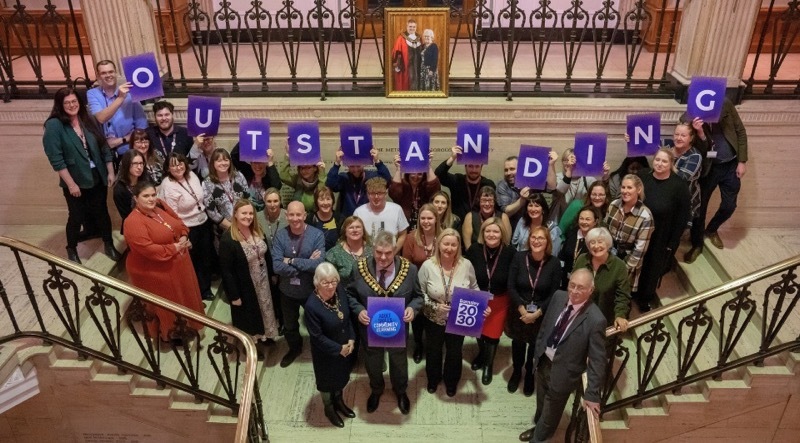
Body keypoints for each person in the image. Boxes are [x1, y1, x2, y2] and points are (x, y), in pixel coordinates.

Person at [517, 268, 606, 443]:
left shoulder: (596, 319)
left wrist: (592, 394)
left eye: (581, 287)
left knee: (551, 412)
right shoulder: (558, 297)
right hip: (544, 362)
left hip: (564, 374)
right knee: (541, 402)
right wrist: (538, 353)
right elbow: (545, 327)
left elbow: (598, 360)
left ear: (591, 290)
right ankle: (539, 427)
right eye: (572, 285)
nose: (574, 291)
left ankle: (539, 437)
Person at [347, 231, 422, 414]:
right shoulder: (359, 268)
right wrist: (359, 310)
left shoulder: (410, 270)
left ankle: (401, 391)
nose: (382, 257)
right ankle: (376, 390)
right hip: (370, 328)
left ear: (395, 250)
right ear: (373, 249)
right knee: (373, 362)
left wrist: (413, 308)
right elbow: (349, 294)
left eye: (388, 253)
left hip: (398, 330)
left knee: (399, 362)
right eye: (379, 252)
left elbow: (419, 297)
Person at [43, 87, 120, 264]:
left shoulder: (89, 120)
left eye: (74, 101)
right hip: (74, 179)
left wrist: (110, 171)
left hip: (97, 175)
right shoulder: (54, 125)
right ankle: (71, 249)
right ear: (60, 105)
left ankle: (108, 244)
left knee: (102, 212)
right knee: (76, 216)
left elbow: (104, 147)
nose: (72, 105)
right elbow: (56, 158)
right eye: (67, 102)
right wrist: (71, 184)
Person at [123, 181, 205, 344]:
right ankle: (173, 332)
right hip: (156, 270)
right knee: (170, 303)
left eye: (153, 194)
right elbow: (148, 249)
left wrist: (183, 236)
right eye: (146, 196)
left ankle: (190, 322)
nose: (151, 199)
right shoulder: (132, 222)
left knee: (185, 295)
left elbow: (179, 223)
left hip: (178, 263)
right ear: (135, 198)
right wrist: (174, 248)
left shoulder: (160, 206)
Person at [419, 228, 485, 397]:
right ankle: (433, 379)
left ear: (458, 247)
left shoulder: (466, 264)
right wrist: (434, 307)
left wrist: (482, 305)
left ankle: (451, 381)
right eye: (446, 244)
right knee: (433, 350)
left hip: (459, 316)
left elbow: (474, 287)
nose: (449, 248)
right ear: (439, 244)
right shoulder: (428, 265)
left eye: (453, 245)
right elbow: (419, 294)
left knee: (455, 351)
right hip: (434, 317)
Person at [685, 98, 748, 252]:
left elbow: (740, 131)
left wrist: (742, 161)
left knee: (729, 206)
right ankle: (697, 244)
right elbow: (692, 146)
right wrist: (699, 132)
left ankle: (712, 229)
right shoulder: (691, 115)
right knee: (700, 208)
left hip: (731, 165)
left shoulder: (726, 105)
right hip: (710, 168)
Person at [506, 226, 562, 396]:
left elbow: (554, 293)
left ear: (548, 242)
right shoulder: (519, 257)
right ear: (529, 240)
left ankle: (530, 372)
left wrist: (537, 313)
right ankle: (517, 371)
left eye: (541, 238)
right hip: (519, 310)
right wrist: (522, 309)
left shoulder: (554, 263)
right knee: (517, 343)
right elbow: (511, 285)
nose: (537, 241)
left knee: (534, 346)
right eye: (534, 237)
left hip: (541, 312)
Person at [219, 199, 279, 356]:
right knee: (250, 315)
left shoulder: (257, 231)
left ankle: (266, 335)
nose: (248, 216)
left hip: (263, 280)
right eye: (244, 213)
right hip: (245, 285)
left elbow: (267, 255)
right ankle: (252, 345)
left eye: (251, 213)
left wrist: (272, 274)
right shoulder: (228, 239)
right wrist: (234, 295)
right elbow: (226, 271)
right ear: (236, 215)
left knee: (265, 309)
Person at [271, 201, 326, 367]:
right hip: (287, 292)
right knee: (289, 325)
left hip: (311, 290)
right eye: (291, 215)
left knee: (316, 323)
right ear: (286, 216)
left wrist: (292, 261)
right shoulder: (280, 235)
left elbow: (318, 264)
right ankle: (295, 348)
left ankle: (319, 350)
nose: (295, 218)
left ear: (304, 215)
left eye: (298, 214)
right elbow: (277, 266)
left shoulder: (316, 235)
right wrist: (305, 264)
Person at [637, 148, 690, 312]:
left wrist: (673, 241)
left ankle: (645, 298)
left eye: (664, 161)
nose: (660, 164)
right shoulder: (643, 176)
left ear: (671, 164)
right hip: (639, 231)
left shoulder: (679, 186)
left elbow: (682, 216)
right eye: (657, 160)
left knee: (652, 267)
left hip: (661, 234)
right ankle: (632, 291)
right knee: (637, 262)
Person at [464, 217, 515, 385]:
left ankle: (488, 364)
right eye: (488, 231)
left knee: (492, 335)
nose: (491, 234)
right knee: (477, 330)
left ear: (502, 234)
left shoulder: (510, 252)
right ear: (482, 233)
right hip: (477, 297)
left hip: (499, 300)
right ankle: (481, 353)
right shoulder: (474, 250)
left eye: (496, 231)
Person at [305, 263, 356, 428]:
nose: (331, 286)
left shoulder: (339, 291)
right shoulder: (312, 306)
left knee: (341, 377)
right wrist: (338, 349)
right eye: (325, 282)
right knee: (327, 382)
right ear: (317, 283)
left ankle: (339, 401)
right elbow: (317, 337)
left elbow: (346, 319)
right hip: (325, 354)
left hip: (344, 347)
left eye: (334, 281)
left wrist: (351, 339)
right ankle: (329, 408)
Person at [158, 152, 215, 301]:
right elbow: (172, 214)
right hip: (187, 227)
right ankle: (196, 291)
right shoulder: (168, 185)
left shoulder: (192, 176)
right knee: (193, 261)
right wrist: (181, 234)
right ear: (168, 168)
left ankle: (206, 288)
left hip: (203, 221)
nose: (178, 167)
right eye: (173, 165)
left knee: (206, 257)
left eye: (180, 163)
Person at [402, 203, 441, 363]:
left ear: (436, 219)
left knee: (434, 320)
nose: (426, 221)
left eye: (429, 218)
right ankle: (418, 344)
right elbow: (406, 264)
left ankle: (434, 345)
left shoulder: (444, 236)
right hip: (417, 287)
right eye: (423, 218)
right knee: (418, 321)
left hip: (438, 287)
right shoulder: (411, 237)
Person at [86, 59, 147, 161]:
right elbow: (101, 118)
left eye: (111, 72)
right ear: (98, 76)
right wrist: (120, 98)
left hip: (128, 149)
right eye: (103, 73)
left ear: (116, 73)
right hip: (105, 152)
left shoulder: (130, 94)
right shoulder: (92, 94)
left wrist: (121, 140)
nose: (108, 75)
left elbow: (142, 126)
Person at [604, 174, 653, 298]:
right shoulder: (614, 204)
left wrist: (623, 271)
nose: (625, 191)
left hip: (627, 258)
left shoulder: (645, 215)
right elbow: (605, 229)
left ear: (638, 190)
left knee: (619, 295)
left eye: (629, 188)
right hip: (608, 254)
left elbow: (639, 250)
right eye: (623, 187)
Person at [573, 227, 631, 331]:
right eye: (592, 242)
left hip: (603, 321)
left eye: (600, 242)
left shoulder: (619, 266)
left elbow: (622, 295)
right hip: (578, 318)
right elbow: (573, 285)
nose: (596, 246)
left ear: (608, 244)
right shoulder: (582, 259)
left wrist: (620, 315)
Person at [675, 119, 709, 264]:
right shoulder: (667, 145)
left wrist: (666, 161)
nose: (678, 138)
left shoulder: (695, 156)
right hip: (669, 197)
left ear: (691, 138)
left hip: (686, 200)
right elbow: (645, 146)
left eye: (683, 135)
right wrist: (630, 141)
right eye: (676, 134)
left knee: (678, 231)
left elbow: (682, 177)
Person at [326, 147, 392, 217]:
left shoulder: (371, 177)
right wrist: (337, 164)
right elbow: (330, 184)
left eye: (358, 166)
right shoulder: (344, 178)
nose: (355, 169)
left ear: (364, 164)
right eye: (352, 166)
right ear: (347, 165)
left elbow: (387, 181)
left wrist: (377, 162)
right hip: (348, 221)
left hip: (368, 218)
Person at [550, 147, 610, 224]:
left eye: (574, 161)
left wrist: (605, 176)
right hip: (558, 221)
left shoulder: (587, 179)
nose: (570, 163)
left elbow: (601, 192)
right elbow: (560, 191)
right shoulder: (558, 177)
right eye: (566, 161)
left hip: (580, 222)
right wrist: (569, 171)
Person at [495, 154, 557, 229]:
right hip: (512, 228)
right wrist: (522, 199)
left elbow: (552, 187)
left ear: (521, 169)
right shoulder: (502, 185)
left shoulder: (531, 180)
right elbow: (507, 212)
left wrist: (551, 165)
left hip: (534, 227)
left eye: (512, 169)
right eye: (506, 170)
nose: (508, 173)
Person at [435, 145, 496, 219]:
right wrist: (452, 157)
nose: (474, 170)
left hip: (480, 225)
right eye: (470, 166)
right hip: (457, 225)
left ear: (481, 167)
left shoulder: (488, 184)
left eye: (477, 166)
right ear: (465, 166)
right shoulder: (457, 180)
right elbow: (438, 174)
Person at [353, 177, 409, 253]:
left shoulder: (396, 209)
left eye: (379, 193)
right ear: (367, 195)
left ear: (385, 194)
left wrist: (393, 252)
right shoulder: (359, 212)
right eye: (372, 193)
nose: (376, 197)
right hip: (367, 256)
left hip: (391, 255)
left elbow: (403, 234)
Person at [202, 148, 250, 235]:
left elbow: (248, 198)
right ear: (213, 163)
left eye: (226, 160)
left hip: (245, 223)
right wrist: (234, 228)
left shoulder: (239, 176)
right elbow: (212, 212)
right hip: (224, 230)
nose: (223, 163)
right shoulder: (207, 183)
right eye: (219, 160)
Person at [388, 152, 440, 228]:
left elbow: (435, 190)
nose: (416, 177)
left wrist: (428, 166)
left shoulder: (425, 186)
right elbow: (394, 194)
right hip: (404, 227)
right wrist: (399, 168)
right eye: (412, 173)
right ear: (408, 174)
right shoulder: (403, 185)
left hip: (425, 225)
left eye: (419, 174)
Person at [559, 205, 602, 289]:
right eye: (581, 218)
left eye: (588, 219)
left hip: (586, 284)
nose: (584, 222)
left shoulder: (598, 240)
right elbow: (562, 255)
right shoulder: (572, 233)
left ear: (595, 221)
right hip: (566, 280)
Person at [230, 144, 282, 212]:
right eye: (254, 162)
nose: (257, 166)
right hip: (249, 214)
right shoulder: (247, 172)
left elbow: (277, 186)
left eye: (260, 162)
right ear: (251, 163)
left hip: (267, 214)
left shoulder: (270, 175)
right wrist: (245, 138)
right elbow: (234, 155)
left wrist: (270, 161)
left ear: (265, 163)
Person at [325, 216, 373, 287]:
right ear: (345, 231)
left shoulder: (373, 251)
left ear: (363, 230)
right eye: (351, 228)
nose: (355, 230)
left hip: (370, 295)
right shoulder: (334, 253)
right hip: (345, 295)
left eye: (358, 227)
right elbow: (328, 280)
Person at [280, 147, 326, 212]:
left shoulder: (320, 180)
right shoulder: (298, 179)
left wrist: (321, 171)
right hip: (297, 215)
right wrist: (288, 154)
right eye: (302, 168)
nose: (304, 171)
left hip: (314, 217)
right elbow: (283, 176)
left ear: (315, 168)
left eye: (308, 167)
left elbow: (322, 190)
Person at [113, 150, 146, 233]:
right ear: (127, 165)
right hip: (133, 224)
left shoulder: (145, 179)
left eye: (141, 163)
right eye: (135, 164)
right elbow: (127, 216)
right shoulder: (120, 189)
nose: (139, 167)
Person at [306, 186, 344, 251]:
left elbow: (344, 242)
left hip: (336, 256)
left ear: (333, 201)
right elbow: (307, 242)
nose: (325, 203)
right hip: (316, 255)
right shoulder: (310, 219)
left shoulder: (340, 218)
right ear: (316, 202)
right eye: (321, 199)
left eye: (328, 199)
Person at [392, 18, 421, 91]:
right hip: (406, 66)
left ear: (416, 27)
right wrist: (398, 64)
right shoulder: (401, 38)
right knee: (407, 82)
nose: (412, 28)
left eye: (414, 27)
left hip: (417, 65)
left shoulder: (419, 38)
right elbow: (396, 52)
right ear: (407, 26)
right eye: (410, 26)